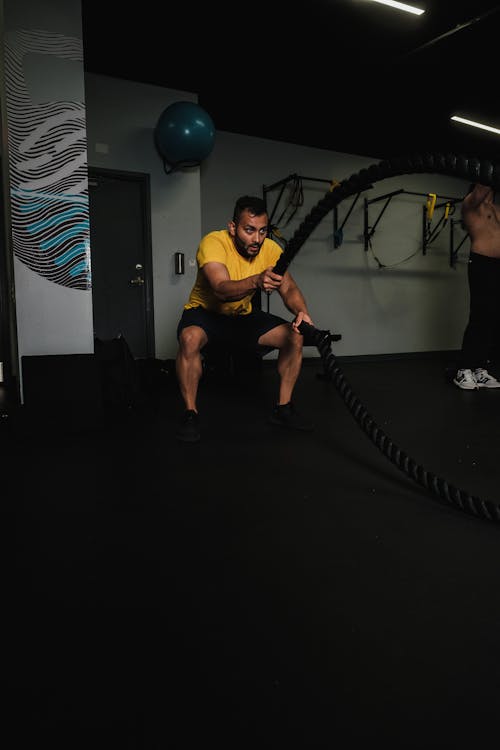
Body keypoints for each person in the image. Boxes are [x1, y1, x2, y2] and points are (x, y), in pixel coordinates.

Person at [175, 195, 315, 442]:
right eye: (249, 230)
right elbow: (220, 288)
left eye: (262, 231)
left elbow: (289, 288)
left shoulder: (271, 249)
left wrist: (301, 311)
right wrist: (256, 280)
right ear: (233, 227)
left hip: (242, 316)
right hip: (206, 313)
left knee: (294, 336)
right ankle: (190, 413)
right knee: (189, 338)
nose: (257, 239)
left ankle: (283, 408)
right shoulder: (214, 242)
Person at [453, 183, 500, 390]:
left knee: (493, 317)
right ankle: (464, 369)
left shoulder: (497, 208)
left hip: (498, 265)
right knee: (480, 315)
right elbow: (481, 190)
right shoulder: (470, 204)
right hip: (482, 263)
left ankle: (480, 368)